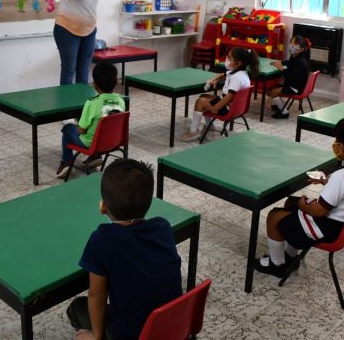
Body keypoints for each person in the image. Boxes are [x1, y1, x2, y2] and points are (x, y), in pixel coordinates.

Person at [254, 114, 344, 279]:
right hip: (341, 224)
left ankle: (277, 265)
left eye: (337, 140)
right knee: (290, 202)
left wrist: (303, 205)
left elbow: (319, 211)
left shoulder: (341, 177)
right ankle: (291, 255)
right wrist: (326, 181)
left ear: (343, 147)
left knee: (274, 216)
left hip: (326, 228)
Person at [67, 159, 183, 340]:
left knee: (76, 308)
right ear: (149, 203)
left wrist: (96, 336)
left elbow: (97, 295)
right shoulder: (163, 227)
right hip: (171, 327)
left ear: (103, 207)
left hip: (134, 335)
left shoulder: (102, 239)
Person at [56, 62, 126, 179]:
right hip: (113, 141)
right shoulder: (121, 101)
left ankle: (67, 162)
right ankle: (95, 157)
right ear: (115, 82)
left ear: (94, 85)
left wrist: (76, 124)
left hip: (91, 144)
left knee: (68, 129)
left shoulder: (92, 103)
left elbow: (81, 130)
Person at [180, 46, 259, 142]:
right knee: (203, 97)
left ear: (238, 63)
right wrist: (216, 80)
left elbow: (230, 96)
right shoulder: (240, 73)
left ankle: (193, 132)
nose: (227, 59)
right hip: (234, 107)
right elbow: (223, 75)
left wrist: (216, 107)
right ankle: (210, 126)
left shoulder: (237, 78)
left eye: (229, 57)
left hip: (227, 108)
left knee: (200, 102)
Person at [269, 34, 311, 119]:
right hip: (293, 84)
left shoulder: (300, 62)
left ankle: (284, 112)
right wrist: (281, 63)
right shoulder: (295, 56)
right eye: (291, 43)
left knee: (270, 92)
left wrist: (282, 69)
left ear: (301, 49)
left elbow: (292, 78)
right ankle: (280, 105)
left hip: (295, 88)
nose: (291, 46)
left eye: (295, 44)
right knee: (271, 89)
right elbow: (290, 63)